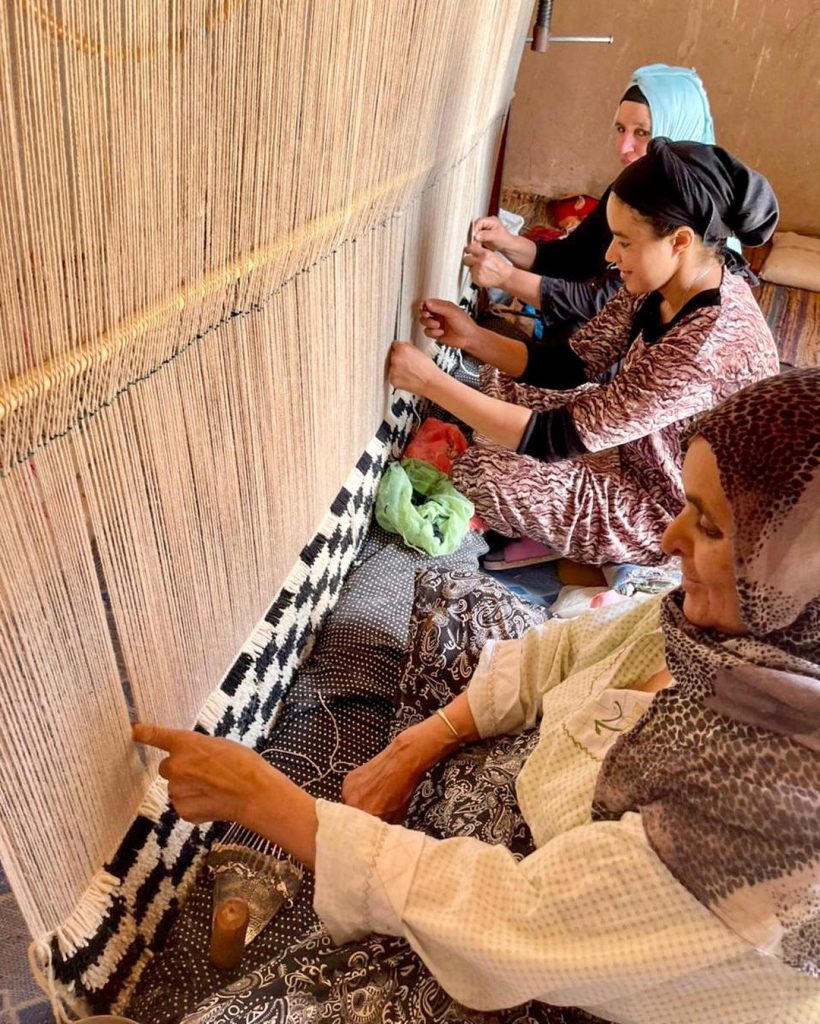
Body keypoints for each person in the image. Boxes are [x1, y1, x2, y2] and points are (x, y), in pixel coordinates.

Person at [134, 369, 820, 1024]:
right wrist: (420, 742)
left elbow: (516, 918)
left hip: (581, 978)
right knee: (453, 601)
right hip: (552, 802)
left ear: (795, 566)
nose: (668, 541)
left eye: (707, 526)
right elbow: (568, 647)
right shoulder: (742, 638)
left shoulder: (770, 817)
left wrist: (264, 801)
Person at [388, 139, 780, 566]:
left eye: (624, 243)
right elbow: (572, 363)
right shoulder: (661, 283)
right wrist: (472, 339)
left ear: (680, 240)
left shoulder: (706, 345)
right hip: (635, 447)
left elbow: (551, 438)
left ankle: (563, 544)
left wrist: (430, 380)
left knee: (487, 473)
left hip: (669, 512)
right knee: (499, 386)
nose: (611, 256)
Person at [465, 63, 721, 334]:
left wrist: (505, 277)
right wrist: (507, 242)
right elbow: (574, 256)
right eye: (620, 129)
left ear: (676, 131)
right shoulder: (627, 190)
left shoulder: (687, 217)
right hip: (586, 352)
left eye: (642, 133)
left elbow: (602, 303)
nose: (624, 147)